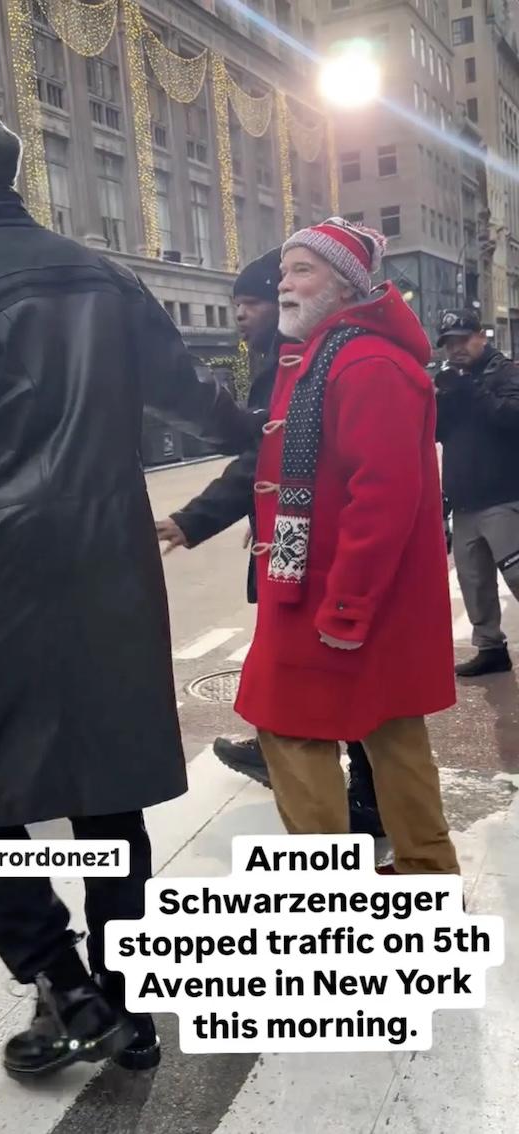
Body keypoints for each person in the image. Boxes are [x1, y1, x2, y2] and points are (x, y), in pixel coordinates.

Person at [0, 104, 263, 1078]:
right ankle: (126, 1001)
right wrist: (270, 429)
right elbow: (195, 401)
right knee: (108, 787)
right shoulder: (106, 278)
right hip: (110, 574)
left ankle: (65, 982)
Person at [234, 217, 460, 876]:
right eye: (284, 272)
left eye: (302, 271)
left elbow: (384, 497)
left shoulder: (363, 363)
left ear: (345, 285)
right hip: (334, 586)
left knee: (289, 726)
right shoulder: (335, 354)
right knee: (389, 725)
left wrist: (347, 605)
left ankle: (329, 886)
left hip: (337, 592)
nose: (284, 284)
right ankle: (426, 873)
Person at [156, 249, 384, 837]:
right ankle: (303, 756)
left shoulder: (308, 358)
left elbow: (269, 456)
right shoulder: (288, 356)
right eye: (239, 303)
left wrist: (194, 518)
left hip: (309, 547)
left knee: (314, 662)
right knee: (290, 656)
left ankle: (357, 796)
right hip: (291, 537)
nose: (243, 314)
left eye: (252, 302)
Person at [435, 309, 519, 677]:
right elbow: (438, 434)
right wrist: (440, 400)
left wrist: (470, 390)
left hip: (504, 496)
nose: (456, 348)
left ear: (481, 336)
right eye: (449, 343)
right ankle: (490, 649)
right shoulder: (454, 382)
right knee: (474, 582)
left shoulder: (505, 373)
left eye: (463, 339)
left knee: (517, 576)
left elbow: (511, 417)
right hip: (465, 502)